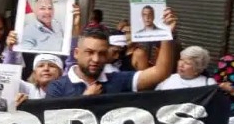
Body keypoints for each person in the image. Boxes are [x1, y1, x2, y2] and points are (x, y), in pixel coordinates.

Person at [45, 11, 178, 98]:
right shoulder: (57, 88)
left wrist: (167, 34)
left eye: (102, 53)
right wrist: (84, 99)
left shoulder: (118, 80)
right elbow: (53, 123)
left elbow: (161, 72)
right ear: (76, 53)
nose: (96, 59)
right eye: (89, 52)